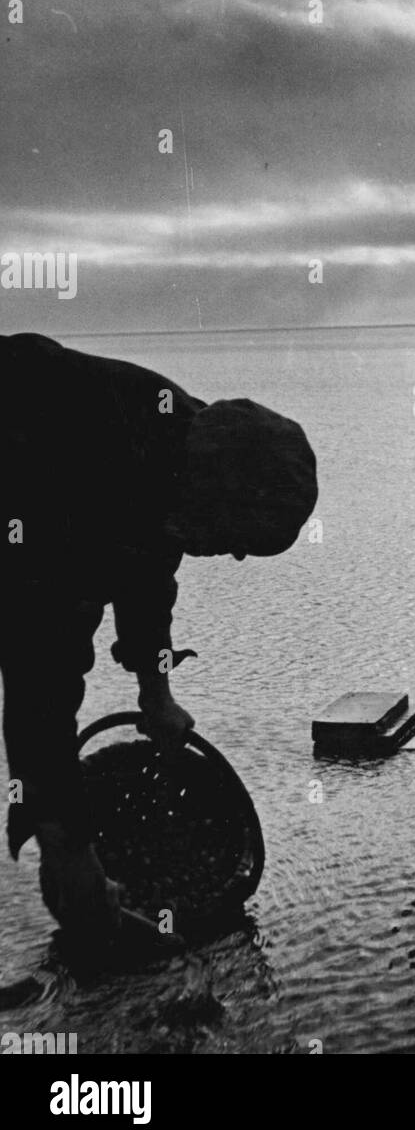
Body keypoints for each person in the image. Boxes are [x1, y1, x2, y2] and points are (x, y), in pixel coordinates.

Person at [1, 332, 317, 942]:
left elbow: (148, 569)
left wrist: (156, 692)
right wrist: (65, 846)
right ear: (211, 500)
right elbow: (43, 670)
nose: (235, 557)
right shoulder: (81, 472)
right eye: (233, 540)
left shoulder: (191, 443)